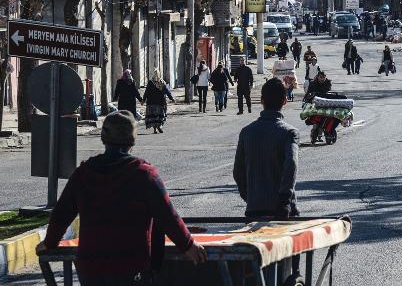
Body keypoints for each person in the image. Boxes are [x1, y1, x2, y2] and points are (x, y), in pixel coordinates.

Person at [36, 111, 207, 285]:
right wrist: (188, 245)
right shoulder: (144, 174)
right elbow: (167, 216)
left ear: (104, 138)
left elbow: (61, 214)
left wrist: (49, 243)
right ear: (132, 139)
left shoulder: (84, 173)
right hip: (131, 268)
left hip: (91, 269)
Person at [233, 78, 301, 283]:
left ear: (261, 101)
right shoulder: (289, 132)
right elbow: (291, 166)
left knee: (255, 270)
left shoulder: (247, 132)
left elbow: (238, 172)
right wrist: (284, 200)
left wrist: (250, 195)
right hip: (283, 213)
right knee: (288, 269)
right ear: (285, 101)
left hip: (254, 210)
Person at [142, 69, 175, 134]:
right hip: (161, 103)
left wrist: (143, 100)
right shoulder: (162, 82)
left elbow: (146, 92)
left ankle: (155, 130)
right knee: (160, 116)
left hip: (151, 103)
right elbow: (167, 91)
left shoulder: (150, 83)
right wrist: (172, 98)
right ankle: (160, 126)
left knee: (153, 116)